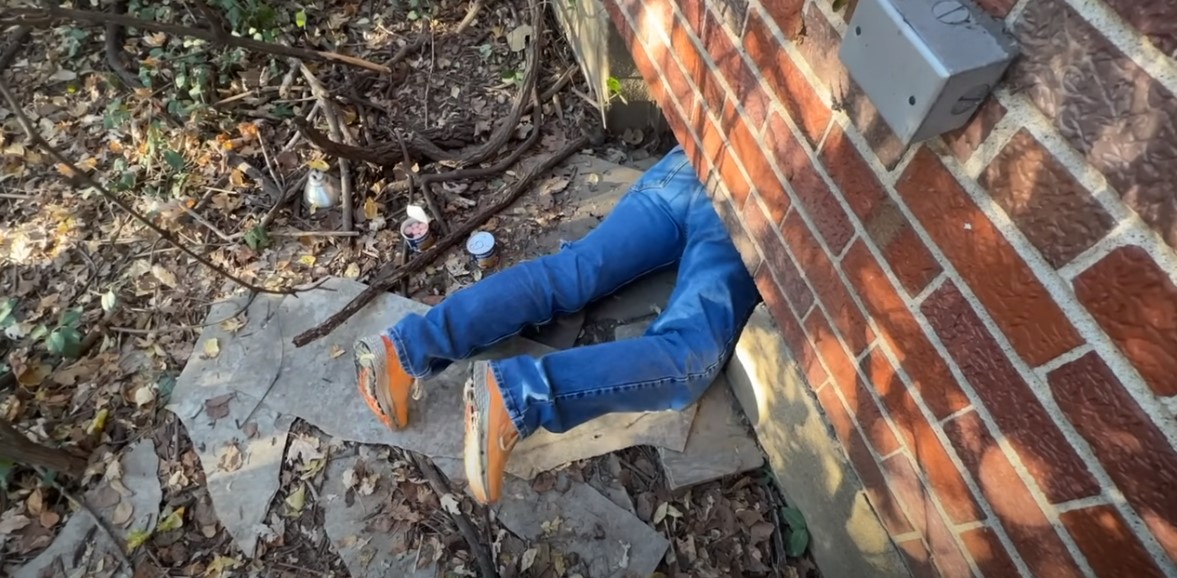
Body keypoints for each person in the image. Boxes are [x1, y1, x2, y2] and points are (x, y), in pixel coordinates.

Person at [352, 144, 760, 504]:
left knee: (570, 273)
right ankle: (519, 395)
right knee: (689, 359)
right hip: (753, 201)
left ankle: (404, 348)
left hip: (697, 160)